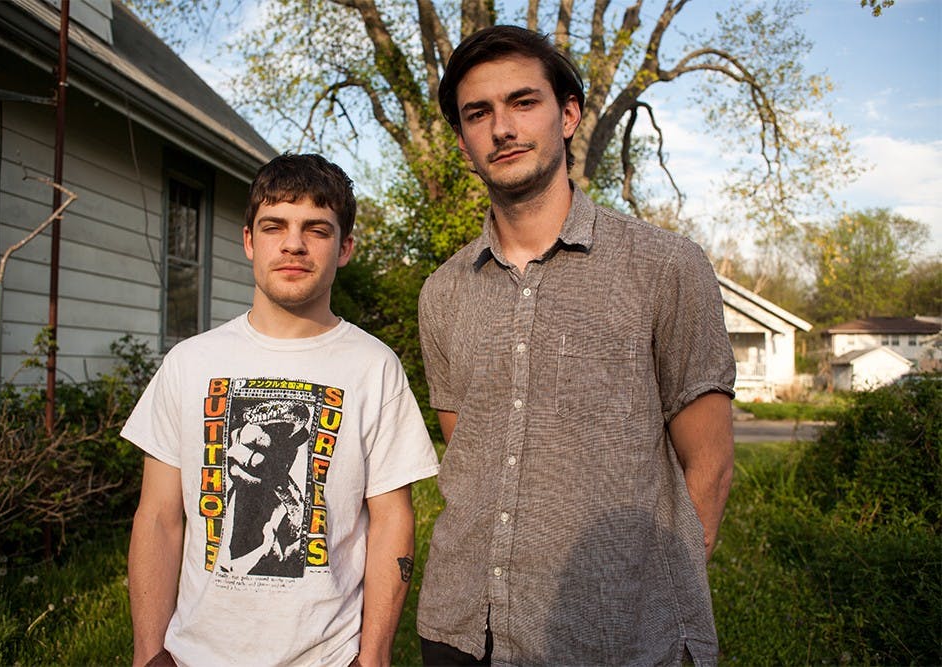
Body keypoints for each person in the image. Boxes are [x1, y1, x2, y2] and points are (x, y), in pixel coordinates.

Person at [416, 25, 736, 667]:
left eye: (522, 102)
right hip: (462, 627)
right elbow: (468, 445)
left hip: (618, 635)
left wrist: (635, 598)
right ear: (462, 140)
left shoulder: (665, 266)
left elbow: (711, 466)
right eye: (478, 113)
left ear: (568, 114)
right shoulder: (443, 291)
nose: (501, 127)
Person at [125, 153, 440, 667]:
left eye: (317, 229)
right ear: (250, 240)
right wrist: (147, 652)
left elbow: (391, 521)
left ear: (345, 248)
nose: (294, 243)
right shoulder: (189, 363)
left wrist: (376, 655)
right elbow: (159, 517)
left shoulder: (374, 367)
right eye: (275, 226)